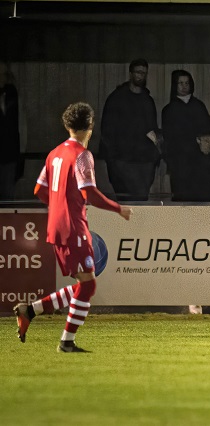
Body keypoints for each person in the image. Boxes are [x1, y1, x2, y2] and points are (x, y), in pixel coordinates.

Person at [14, 102, 133, 352]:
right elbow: (88, 191)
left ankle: (30, 310)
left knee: (84, 284)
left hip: (56, 226)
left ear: (68, 125)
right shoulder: (82, 155)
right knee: (88, 285)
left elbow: (39, 190)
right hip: (73, 227)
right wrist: (118, 208)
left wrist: (58, 204)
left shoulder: (54, 153)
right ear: (90, 127)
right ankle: (66, 342)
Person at [99, 59, 161, 202]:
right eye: (138, 72)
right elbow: (107, 131)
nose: (141, 76)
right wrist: (113, 160)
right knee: (125, 203)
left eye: (144, 73)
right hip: (123, 161)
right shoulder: (117, 99)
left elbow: (152, 128)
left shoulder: (147, 100)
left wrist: (154, 155)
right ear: (131, 73)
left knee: (140, 202)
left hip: (143, 162)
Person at [161, 69, 210, 201]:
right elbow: (168, 138)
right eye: (180, 83)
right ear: (175, 85)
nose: (184, 86)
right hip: (179, 163)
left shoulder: (198, 106)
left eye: (187, 83)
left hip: (199, 163)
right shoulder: (169, 110)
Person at [0, 68, 23, 199]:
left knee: (8, 192)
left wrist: (21, 151)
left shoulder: (12, 96)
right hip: (8, 150)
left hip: (9, 152)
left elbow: (20, 124)